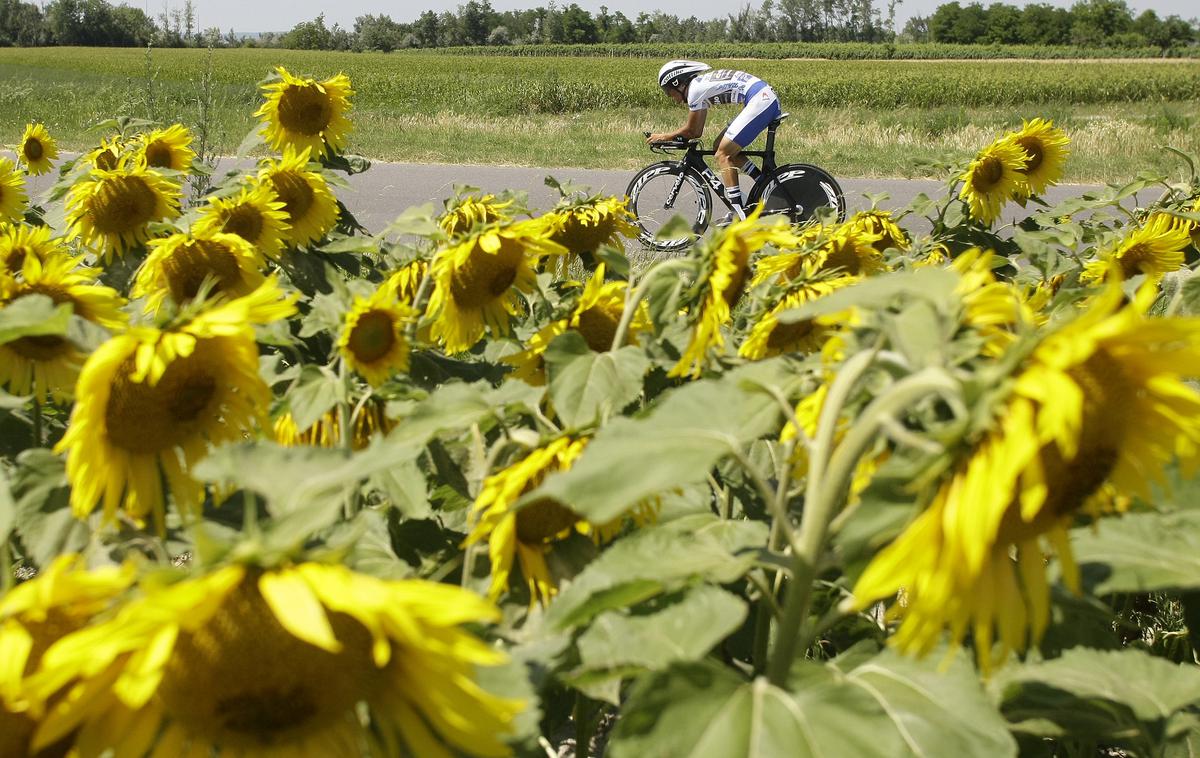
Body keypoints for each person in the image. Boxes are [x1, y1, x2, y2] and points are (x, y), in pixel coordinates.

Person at [647, 60, 783, 222]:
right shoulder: (698, 87)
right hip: (761, 98)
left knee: (723, 153)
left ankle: (738, 213)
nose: (672, 98)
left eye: (669, 92)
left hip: (761, 100)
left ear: (678, 83)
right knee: (720, 145)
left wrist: (663, 136)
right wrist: (676, 137)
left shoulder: (695, 90)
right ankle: (763, 184)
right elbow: (696, 132)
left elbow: (692, 131)